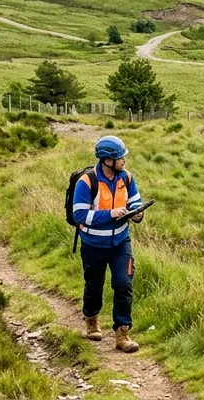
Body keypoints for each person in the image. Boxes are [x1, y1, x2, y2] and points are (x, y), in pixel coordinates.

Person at [71, 134, 144, 352]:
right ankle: (91, 319)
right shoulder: (87, 182)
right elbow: (79, 215)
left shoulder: (127, 178)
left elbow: (135, 201)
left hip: (121, 243)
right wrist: (110, 213)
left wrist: (137, 213)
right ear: (107, 160)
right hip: (93, 244)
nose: (124, 160)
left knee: (124, 284)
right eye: (121, 157)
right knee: (94, 286)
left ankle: (123, 334)